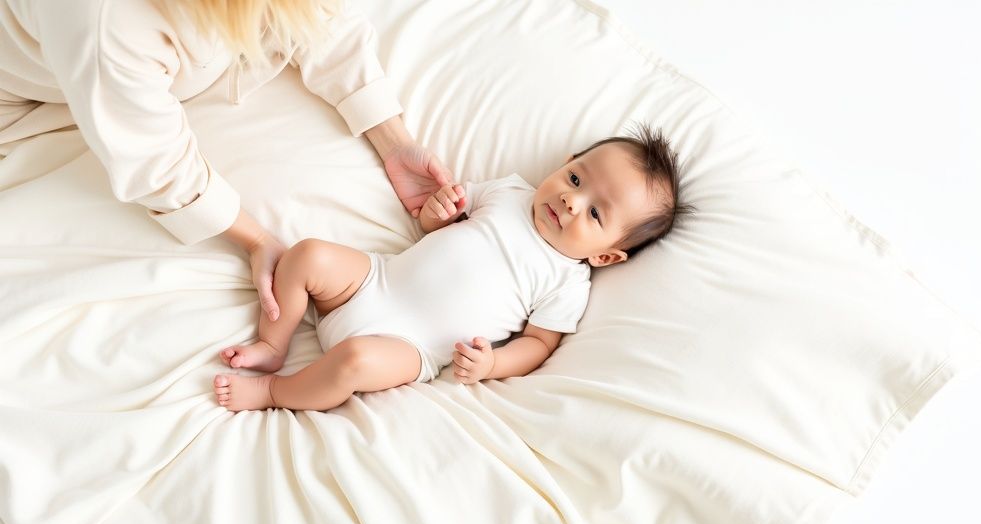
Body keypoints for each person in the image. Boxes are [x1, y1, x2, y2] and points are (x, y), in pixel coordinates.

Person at [0, 0, 453, 320]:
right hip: (33, 99)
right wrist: (256, 240)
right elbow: (155, 163)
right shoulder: (103, 19)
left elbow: (320, 18)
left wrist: (392, 140)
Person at [212, 124, 695, 411]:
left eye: (595, 214)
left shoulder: (567, 280)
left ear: (606, 255)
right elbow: (434, 225)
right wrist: (439, 210)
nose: (571, 201)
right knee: (308, 254)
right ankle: (274, 344)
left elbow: (537, 344)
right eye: (575, 178)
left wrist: (493, 364)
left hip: (409, 347)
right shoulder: (508, 191)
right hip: (374, 280)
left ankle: (276, 390)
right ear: (566, 162)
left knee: (354, 362)